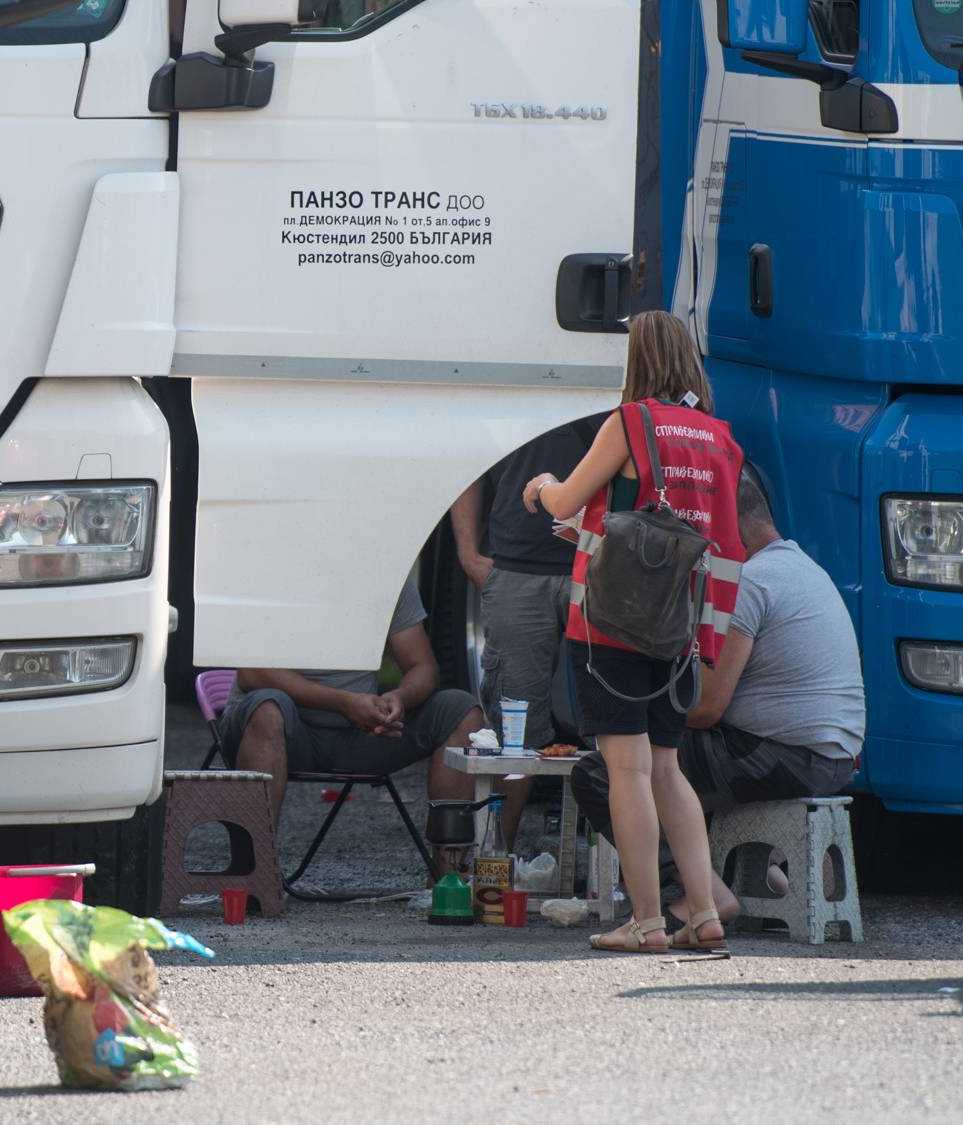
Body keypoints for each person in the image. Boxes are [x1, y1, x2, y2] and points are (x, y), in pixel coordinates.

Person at [520, 310, 745, 954]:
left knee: (626, 769)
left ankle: (646, 921)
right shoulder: (719, 438)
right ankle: (702, 913)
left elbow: (567, 504)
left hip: (613, 620)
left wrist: (542, 486)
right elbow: (722, 543)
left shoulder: (631, 423)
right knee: (668, 771)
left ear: (636, 360)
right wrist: (707, 638)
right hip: (681, 625)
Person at [569, 468, 864, 935]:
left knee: (604, 773)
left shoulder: (751, 581)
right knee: (673, 768)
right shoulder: (805, 567)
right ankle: (744, 880)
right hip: (833, 755)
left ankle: (699, 893)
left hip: (781, 755)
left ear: (730, 524)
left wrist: (635, 720)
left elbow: (707, 707)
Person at [210, 573, 485, 853]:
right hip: (279, 733)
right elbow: (251, 672)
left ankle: (448, 881)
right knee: (268, 709)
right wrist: (342, 702)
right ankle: (255, 879)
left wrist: (399, 697)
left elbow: (423, 668)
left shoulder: (384, 572)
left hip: (360, 735)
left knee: (460, 710)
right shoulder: (277, 569)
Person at [449, 409, 609, 844]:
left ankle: (618, 874)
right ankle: (496, 867)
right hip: (519, 566)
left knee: (618, 728)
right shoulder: (515, 374)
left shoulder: (626, 358)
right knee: (512, 736)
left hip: (601, 564)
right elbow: (470, 464)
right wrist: (466, 552)